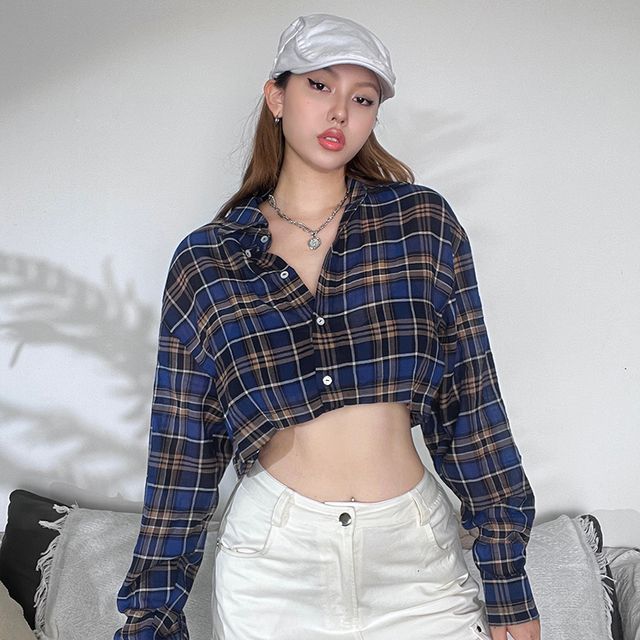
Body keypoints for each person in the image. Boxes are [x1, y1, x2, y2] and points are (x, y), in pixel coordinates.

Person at [115, 13, 541, 640]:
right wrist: (152, 618)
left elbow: (472, 408)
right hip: (273, 567)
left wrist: (509, 587)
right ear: (276, 96)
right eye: (320, 86)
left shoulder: (421, 225)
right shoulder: (208, 262)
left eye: (362, 99)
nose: (340, 111)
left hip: (413, 560)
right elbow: (183, 454)